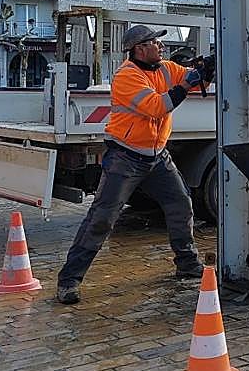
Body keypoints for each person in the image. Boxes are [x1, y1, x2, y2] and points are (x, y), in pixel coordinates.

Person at [56, 25, 206, 305]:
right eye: (154, 43)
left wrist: (206, 68)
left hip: (157, 156)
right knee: (102, 218)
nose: (161, 47)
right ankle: (69, 281)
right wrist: (186, 85)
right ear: (139, 48)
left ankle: (187, 264)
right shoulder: (127, 77)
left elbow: (190, 77)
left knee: (181, 205)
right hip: (125, 158)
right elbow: (158, 106)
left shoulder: (165, 68)